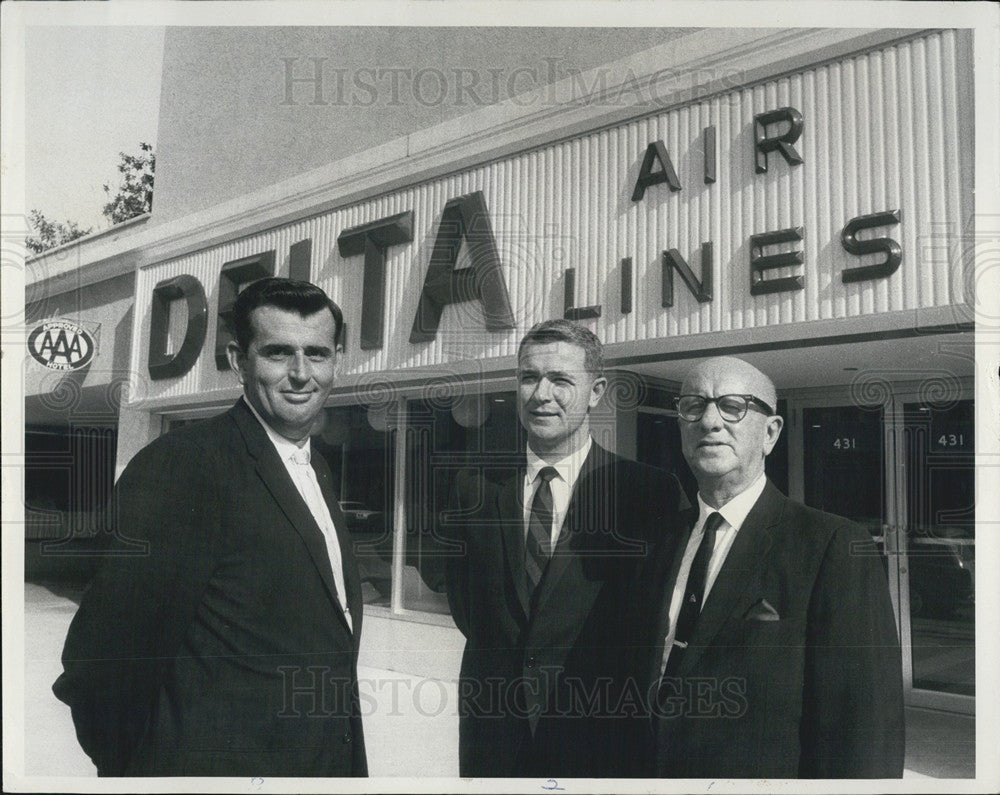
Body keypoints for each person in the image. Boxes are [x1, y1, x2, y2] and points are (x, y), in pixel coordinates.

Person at [53, 278, 367, 777]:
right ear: (238, 360)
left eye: (318, 353)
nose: (301, 374)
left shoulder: (316, 469)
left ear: (337, 360)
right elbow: (102, 663)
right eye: (279, 353)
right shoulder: (184, 466)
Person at [638, 355, 904, 778]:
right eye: (694, 405)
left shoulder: (830, 545)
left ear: (771, 432)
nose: (709, 421)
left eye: (733, 406)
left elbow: (864, 726)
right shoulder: (659, 538)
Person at [444, 319, 688, 777]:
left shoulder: (648, 493)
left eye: (560, 380)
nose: (541, 394)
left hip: (602, 741)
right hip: (494, 738)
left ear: (596, 391)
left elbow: (658, 622)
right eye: (529, 377)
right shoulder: (472, 487)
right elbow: (467, 607)